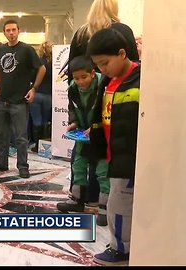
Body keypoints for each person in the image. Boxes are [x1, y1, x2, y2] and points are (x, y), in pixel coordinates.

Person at [67, 0, 140, 208]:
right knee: (101, 156)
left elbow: (70, 70)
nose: (102, 68)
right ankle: (101, 201)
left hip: (96, 104)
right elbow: (134, 69)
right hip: (111, 102)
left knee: (88, 154)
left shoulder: (81, 33)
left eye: (104, 63)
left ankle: (83, 198)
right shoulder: (121, 31)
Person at [87, 27, 140, 266]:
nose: (101, 69)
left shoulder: (142, 79)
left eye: (105, 62)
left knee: (118, 205)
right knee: (118, 202)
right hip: (113, 154)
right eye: (97, 64)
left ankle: (121, 250)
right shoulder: (107, 81)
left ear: (122, 53)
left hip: (131, 157)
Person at [0, 19, 46, 178]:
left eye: (13, 30)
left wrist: (34, 88)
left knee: (20, 136)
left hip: (19, 100)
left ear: (18, 31)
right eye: (8, 30)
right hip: (2, 100)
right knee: (0, 134)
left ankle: (23, 166)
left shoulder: (27, 49)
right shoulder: (0, 50)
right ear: (4, 32)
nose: (11, 33)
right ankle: (0, 162)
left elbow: (42, 69)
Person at [56, 55, 109, 227]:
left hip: (101, 137)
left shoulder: (104, 85)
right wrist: (74, 122)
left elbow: (107, 110)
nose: (80, 82)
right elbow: (72, 107)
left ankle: (104, 209)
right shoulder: (72, 88)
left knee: (102, 171)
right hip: (82, 136)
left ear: (93, 73)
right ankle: (76, 200)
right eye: (76, 78)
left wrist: (95, 127)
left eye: (83, 77)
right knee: (78, 165)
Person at [30, 41, 53, 152]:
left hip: (37, 93)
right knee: (45, 120)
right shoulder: (56, 63)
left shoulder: (38, 62)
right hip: (50, 95)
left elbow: (31, 77)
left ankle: (37, 145)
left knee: (36, 120)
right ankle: (45, 146)